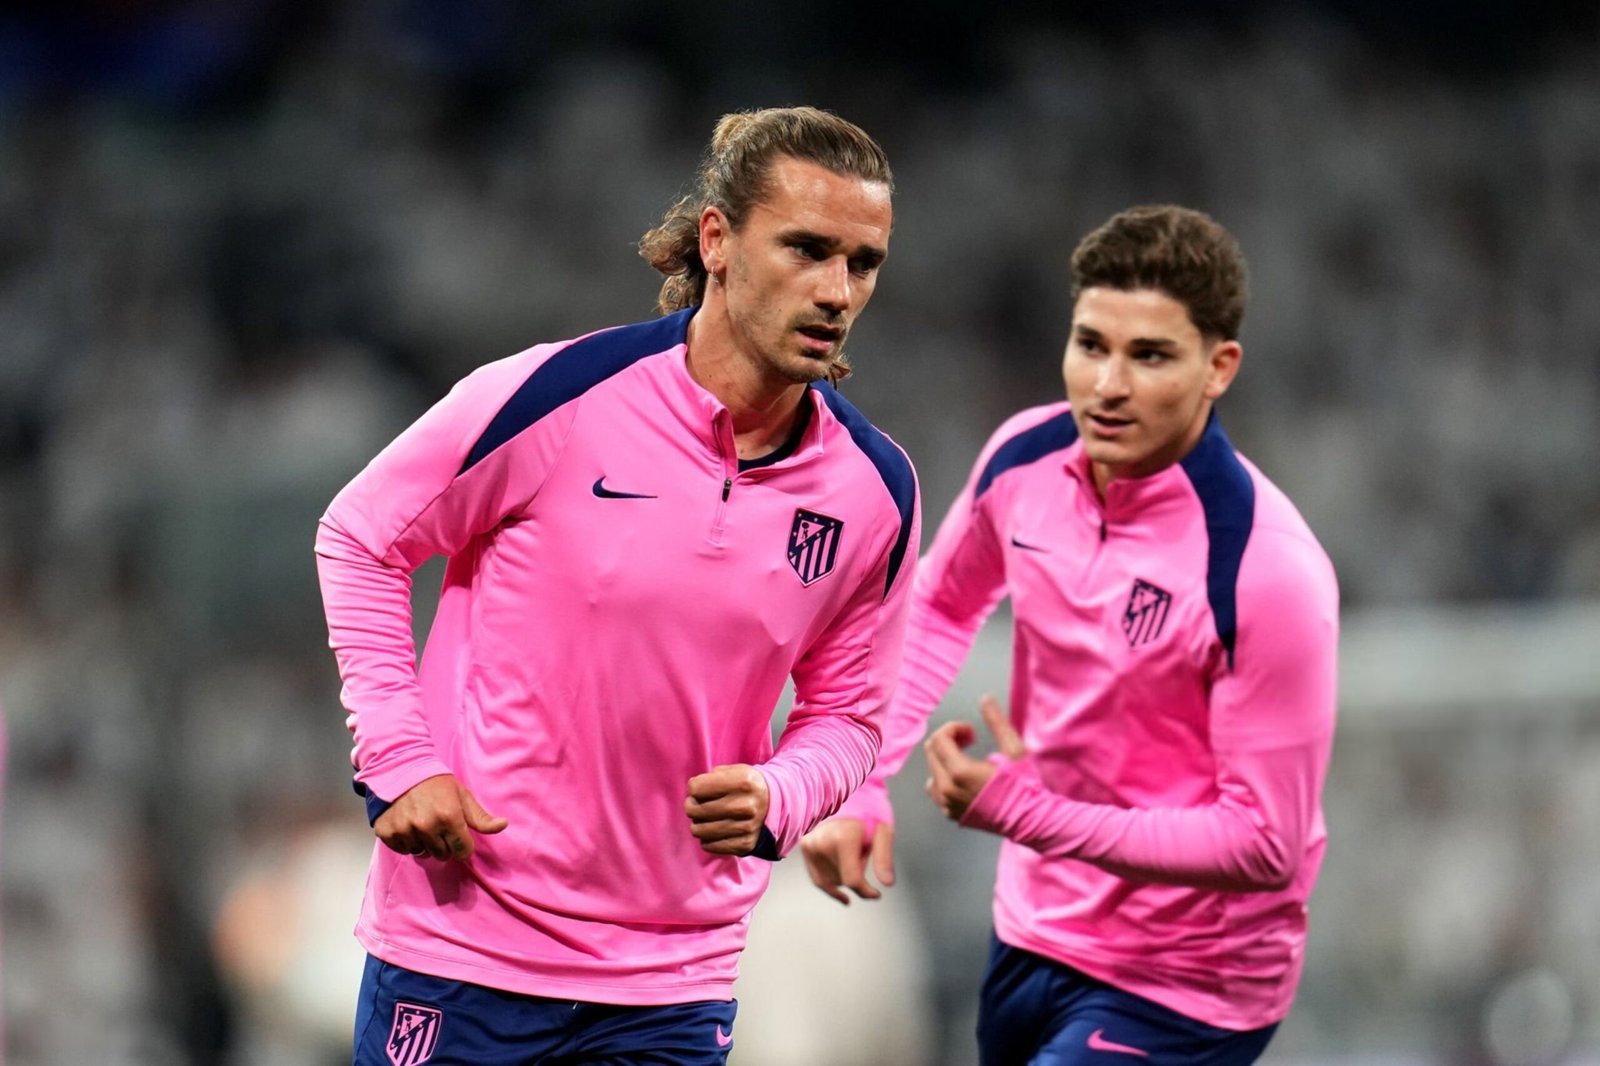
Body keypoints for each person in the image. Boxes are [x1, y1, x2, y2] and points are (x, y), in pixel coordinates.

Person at [315, 105, 920, 1066]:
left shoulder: (874, 490)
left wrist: (783, 795)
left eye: (863, 262)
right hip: (467, 947)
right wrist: (400, 759)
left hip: (671, 984)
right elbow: (360, 537)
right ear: (717, 241)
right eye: (807, 249)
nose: (837, 290)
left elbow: (851, 716)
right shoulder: (557, 397)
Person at [802, 205, 1339, 1065]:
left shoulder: (1264, 568)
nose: (1108, 385)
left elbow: (1264, 843)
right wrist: (858, 785)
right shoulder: (1024, 460)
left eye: (1150, 355)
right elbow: (938, 604)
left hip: (1187, 982)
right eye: (1092, 345)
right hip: (1033, 930)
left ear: (1218, 367)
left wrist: (1026, 811)